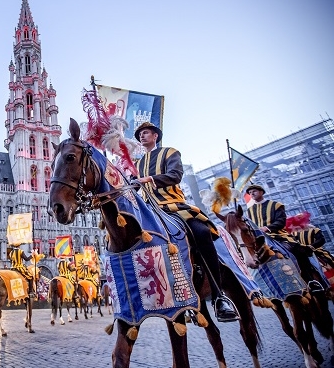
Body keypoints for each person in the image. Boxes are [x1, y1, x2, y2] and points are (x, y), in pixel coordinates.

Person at [133, 122, 239, 322]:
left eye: (145, 133)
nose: (141, 136)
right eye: (139, 134)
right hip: (148, 211)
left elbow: (175, 176)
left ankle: (218, 296)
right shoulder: (137, 164)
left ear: (155, 136)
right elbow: (131, 186)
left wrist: (147, 180)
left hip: (173, 205)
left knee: (201, 233)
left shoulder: (170, 153)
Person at [246, 185, 325, 292]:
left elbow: (281, 221)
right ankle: (265, 288)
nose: (252, 194)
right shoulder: (249, 210)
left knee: (299, 251)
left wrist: (267, 228)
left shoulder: (276, 205)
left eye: (254, 191)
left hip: (278, 235)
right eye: (250, 193)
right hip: (260, 238)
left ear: (261, 192)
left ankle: (310, 280)